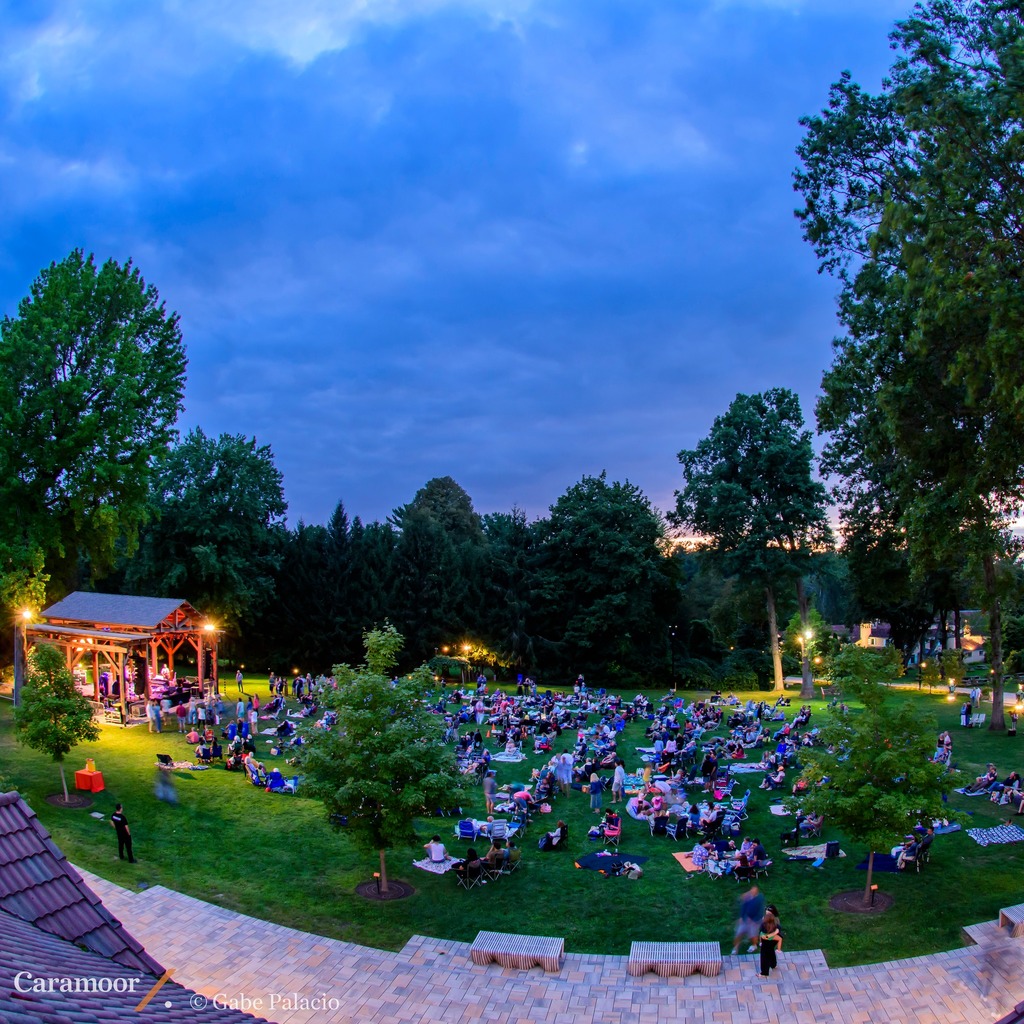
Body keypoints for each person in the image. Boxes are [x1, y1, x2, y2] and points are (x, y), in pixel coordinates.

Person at [732, 884, 765, 955]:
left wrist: (754, 920)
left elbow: (760, 912)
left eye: (754, 890)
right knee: (739, 933)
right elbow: (744, 906)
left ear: (757, 892)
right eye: (751, 890)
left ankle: (754, 945)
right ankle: (735, 947)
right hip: (745, 919)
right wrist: (741, 916)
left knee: (753, 935)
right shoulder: (748, 897)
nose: (752, 892)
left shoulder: (760, 899)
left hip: (755, 921)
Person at [758, 909, 782, 977]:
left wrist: (768, 936)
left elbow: (763, 936)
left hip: (766, 942)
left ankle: (764, 973)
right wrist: (775, 933)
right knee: (771, 951)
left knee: (764, 957)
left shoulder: (763, 926)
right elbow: (779, 930)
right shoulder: (775, 924)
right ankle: (773, 965)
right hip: (773, 941)